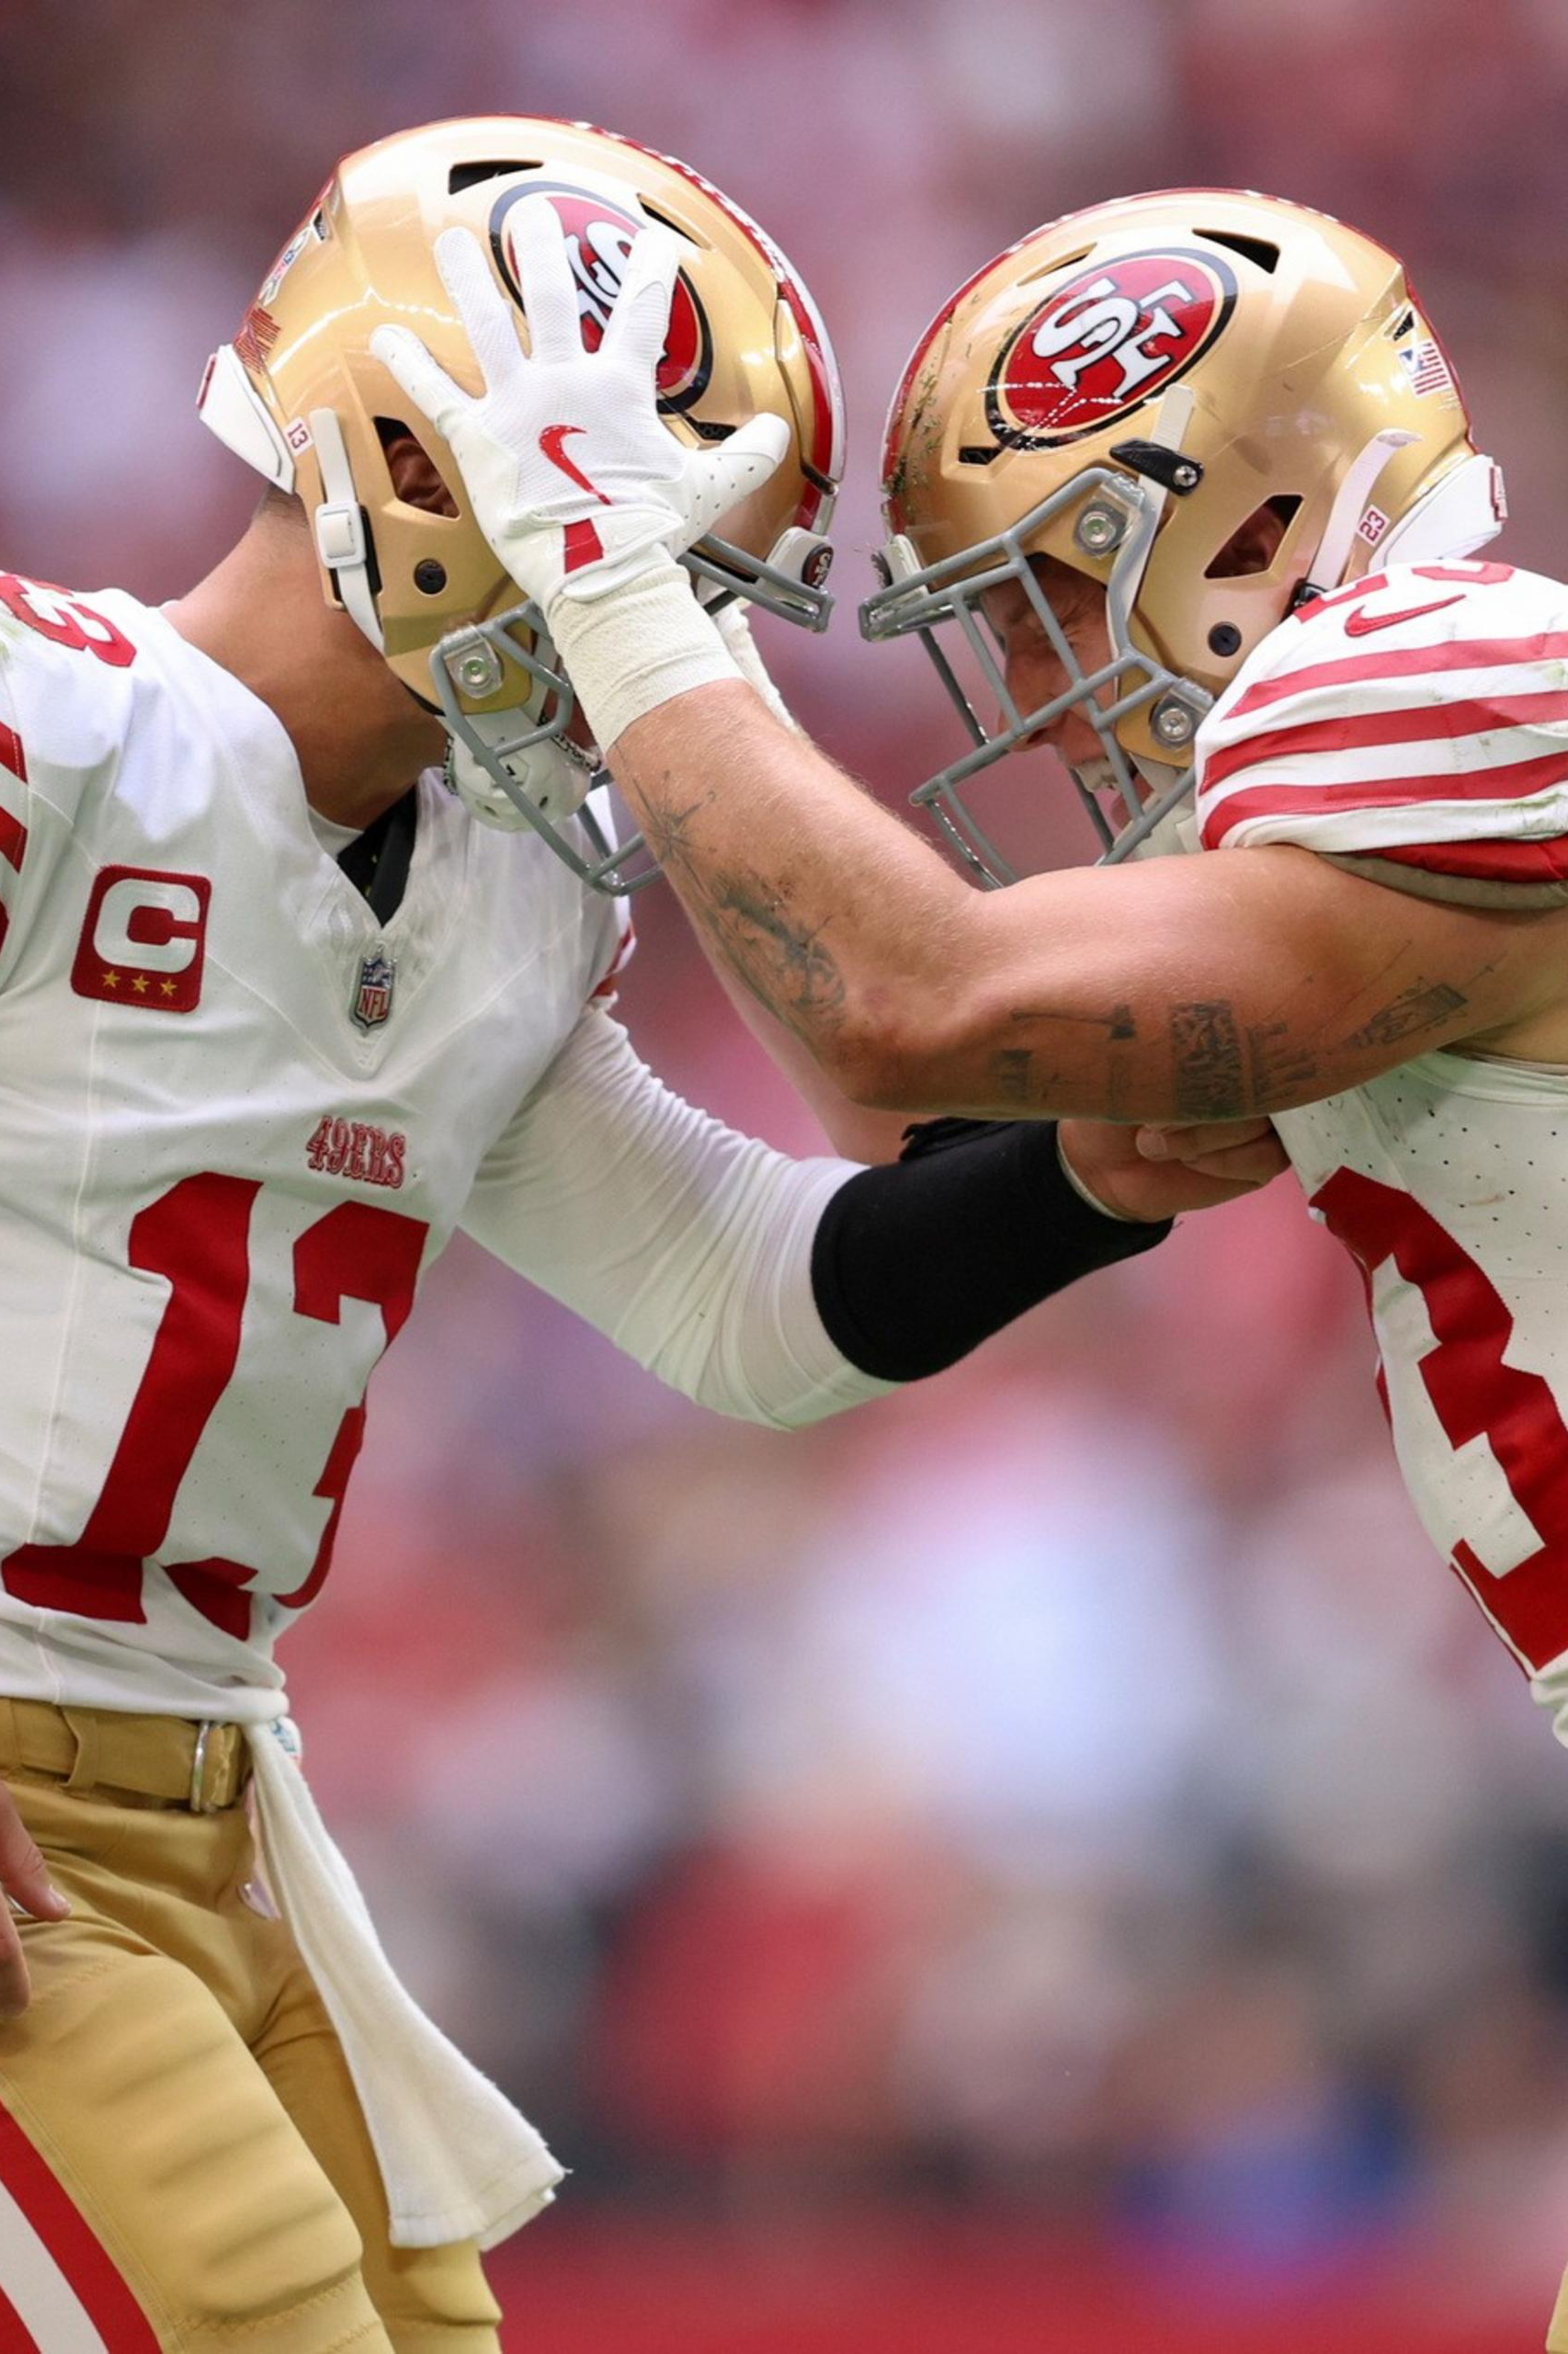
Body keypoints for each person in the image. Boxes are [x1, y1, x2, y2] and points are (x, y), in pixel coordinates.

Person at [0, 127, 1279, 2352]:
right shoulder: (62, 725)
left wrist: (1076, 1187)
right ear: (418, 450)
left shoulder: (512, 884)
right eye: (646, 560)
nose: (656, 648)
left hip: (209, 1803)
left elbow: (730, 1292)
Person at [376, 182, 1568, 2352]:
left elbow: (905, 1001)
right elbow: (930, 1130)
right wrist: (686, 654)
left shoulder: (1445, 675)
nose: (1019, 679)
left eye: (1037, 596)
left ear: (1237, 518)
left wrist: (611, 573)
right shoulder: (1388, 859)